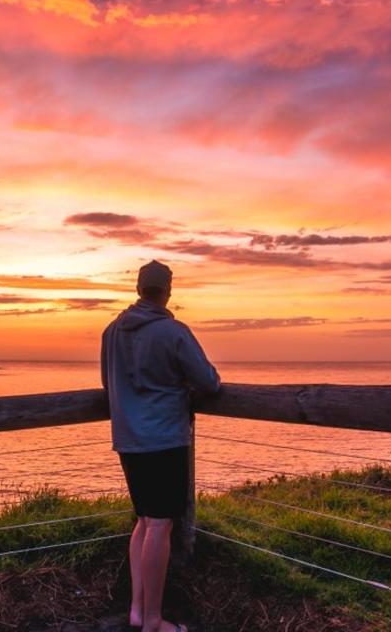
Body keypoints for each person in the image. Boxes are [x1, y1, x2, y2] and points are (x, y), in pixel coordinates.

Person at [101, 260, 220, 632]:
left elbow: (108, 383)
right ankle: (152, 620)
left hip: (128, 440)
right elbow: (209, 382)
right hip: (164, 439)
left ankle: (138, 611)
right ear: (168, 290)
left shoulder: (111, 331)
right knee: (160, 526)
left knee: (145, 521)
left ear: (138, 289)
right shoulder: (173, 332)